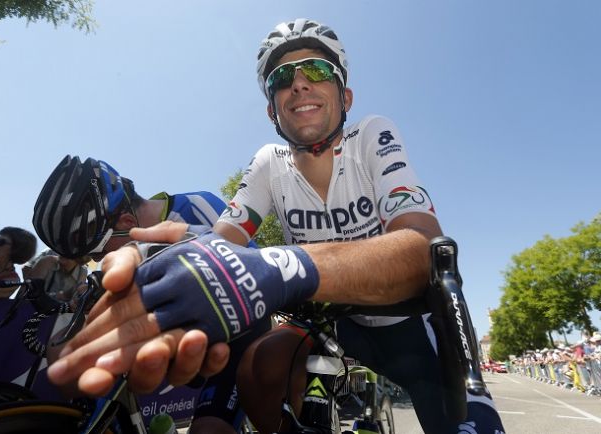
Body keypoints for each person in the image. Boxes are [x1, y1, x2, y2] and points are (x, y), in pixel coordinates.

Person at [45, 20, 504, 433]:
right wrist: (175, 255)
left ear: (345, 97)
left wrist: (280, 267)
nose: (300, 84)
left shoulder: (371, 136)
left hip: (409, 318)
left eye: (317, 72)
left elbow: (423, 249)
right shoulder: (270, 162)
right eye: (282, 79)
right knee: (261, 368)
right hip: (333, 320)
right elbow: (221, 246)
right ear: (272, 109)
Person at [32, 155, 266, 434]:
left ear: (129, 221)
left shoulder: (195, 207)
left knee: (208, 429)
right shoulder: (123, 250)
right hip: (185, 349)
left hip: (241, 338)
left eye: (97, 253)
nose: (99, 263)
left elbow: (256, 272)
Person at [22, 252, 89, 304]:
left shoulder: (82, 271)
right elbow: (33, 296)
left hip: (55, 315)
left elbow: (74, 299)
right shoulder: (48, 259)